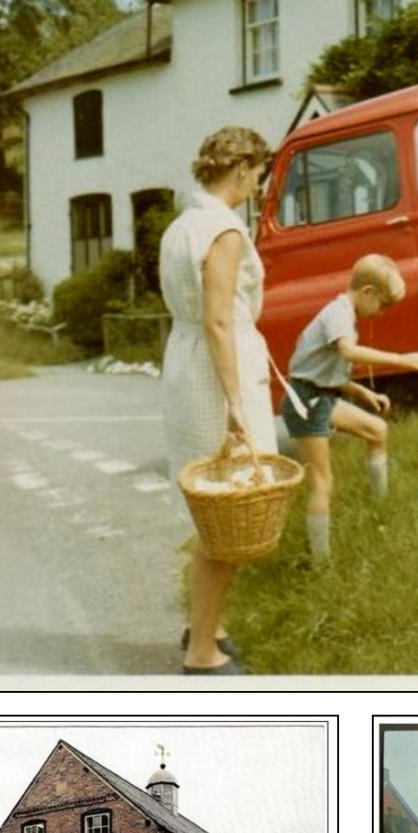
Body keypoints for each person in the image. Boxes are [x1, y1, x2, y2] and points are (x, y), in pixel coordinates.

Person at [161, 126, 277, 674]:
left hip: (186, 367)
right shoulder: (224, 229)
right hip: (215, 374)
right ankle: (200, 652)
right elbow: (219, 318)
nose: (256, 186)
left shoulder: (183, 224)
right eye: (256, 175)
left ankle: (209, 624)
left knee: (208, 511)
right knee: (230, 516)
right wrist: (235, 402)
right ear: (241, 169)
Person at [279, 253, 418, 559]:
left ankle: (381, 508)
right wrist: (401, 359)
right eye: (384, 305)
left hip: (320, 395)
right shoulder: (338, 314)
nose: (384, 312)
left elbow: (324, 371)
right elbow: (347, 353)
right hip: (306, 401)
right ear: (367, 293)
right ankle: (320, 560)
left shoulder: (344, 313)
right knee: (322, 481)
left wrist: (361, 392)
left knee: (377, 429)